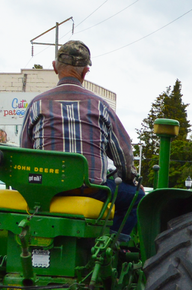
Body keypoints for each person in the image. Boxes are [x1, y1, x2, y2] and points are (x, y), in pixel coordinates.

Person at [19, 40, 141, 235]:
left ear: (54, 68)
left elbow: (25, 152)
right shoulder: (100, 106)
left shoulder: (36, 104)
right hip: (91, 189)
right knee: (138, 196)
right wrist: (129, 178)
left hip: (46, 190)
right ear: (85, 72)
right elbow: (124, 155)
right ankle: (116, 244)